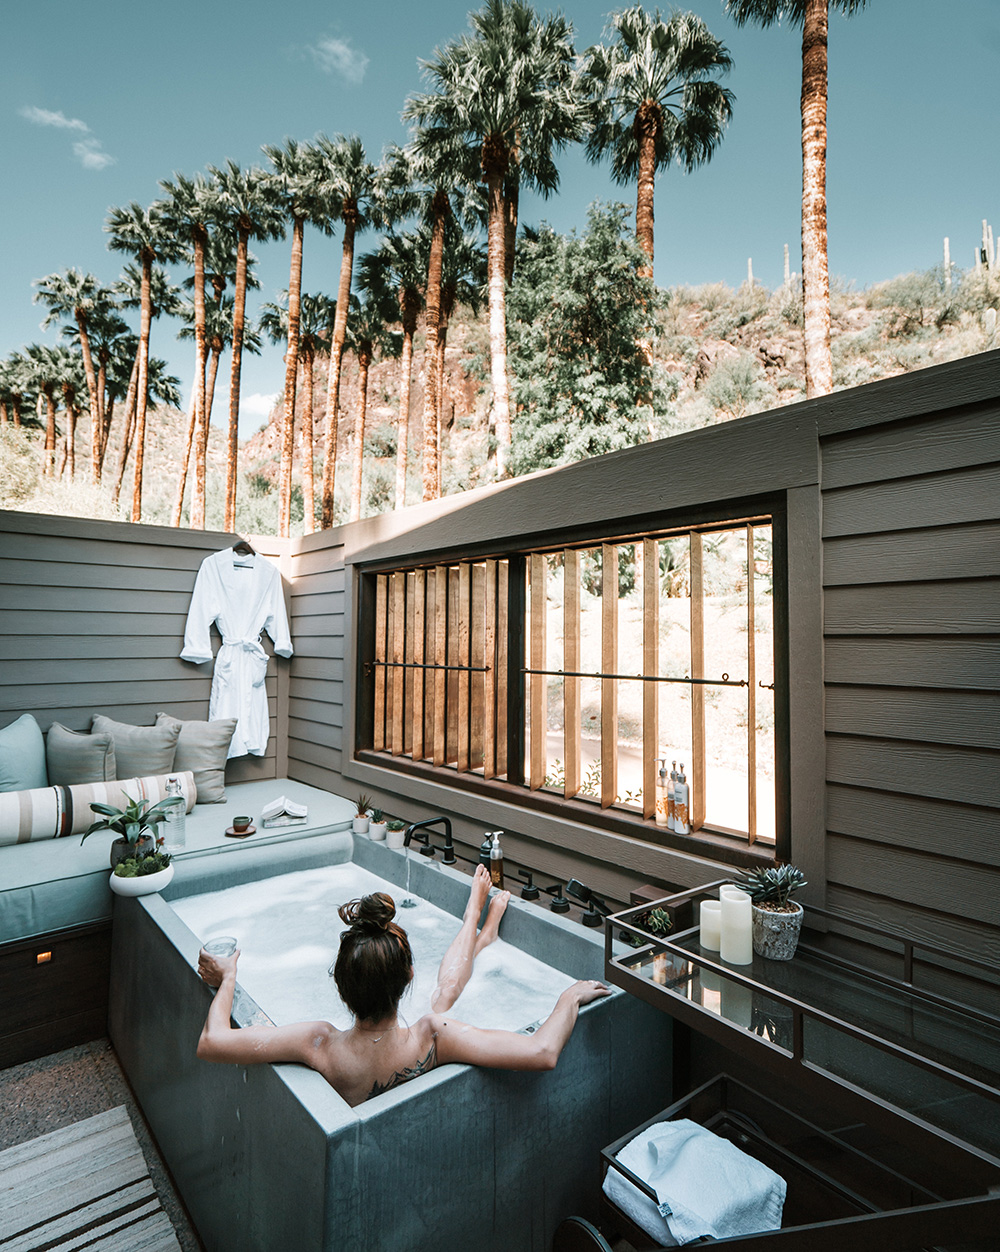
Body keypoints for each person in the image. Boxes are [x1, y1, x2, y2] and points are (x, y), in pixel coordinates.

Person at [196, 864, 610, 1107]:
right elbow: (542, 1050)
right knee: (441, 1001)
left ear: (340, 987)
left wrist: (229, 977)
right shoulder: (433, 1036)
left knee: (441, 1001)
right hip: (420, 1036)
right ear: (408, 975)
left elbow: (212, 1042)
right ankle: (475, 927)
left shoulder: (318, 1043)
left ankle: (480, 933)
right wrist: (569, 996)